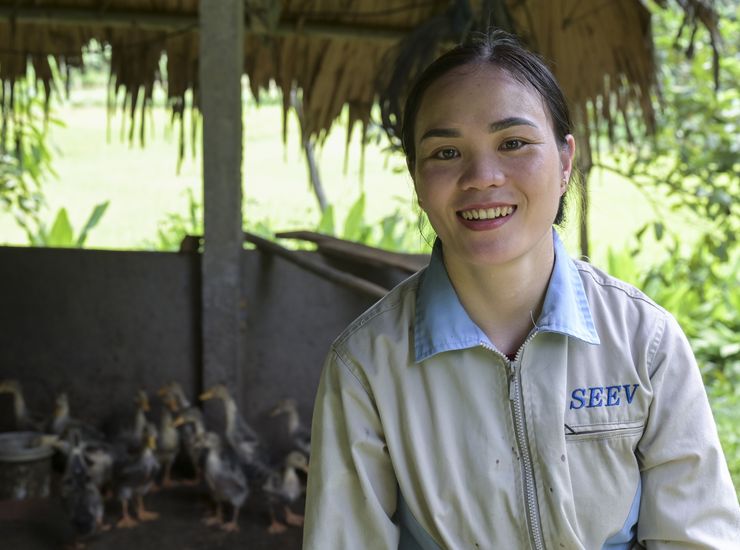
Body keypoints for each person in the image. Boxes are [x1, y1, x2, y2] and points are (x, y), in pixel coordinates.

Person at [302, 30, 740, 549]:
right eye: (446, 152)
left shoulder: (644, 341)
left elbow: (697, 538)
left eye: (513, 143)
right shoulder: (367, 365)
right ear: (418, 181)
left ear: (565, 162)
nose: (482, 177)